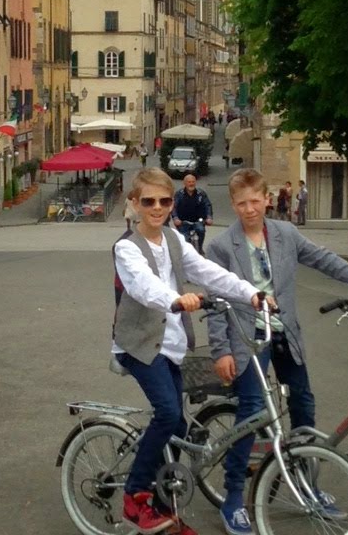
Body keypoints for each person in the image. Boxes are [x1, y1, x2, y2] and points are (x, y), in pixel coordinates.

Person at [206, 168, 348, 535]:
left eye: (255, 201)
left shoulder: (285, 234)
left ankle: (307, 483)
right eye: (242, 203)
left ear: (267, 199)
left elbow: (325, 259)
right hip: (247, 338)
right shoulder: (221, 246)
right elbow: (215, 302)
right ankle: (232, 499)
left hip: (285, 334)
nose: (250, 209)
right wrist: (221, 351)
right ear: (233, 205)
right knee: (252, 414)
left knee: (304, 404)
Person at [112, 168, 261, 535]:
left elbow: (208, 271)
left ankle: (164, 505)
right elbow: (144, 286)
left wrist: (251, 293)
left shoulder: (174, 239)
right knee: (166, 412)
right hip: (140, 345)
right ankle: (135, 497)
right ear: (135, 203)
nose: (158, 207)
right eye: (149, 201)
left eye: (165, 200)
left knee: (178, 423)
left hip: (172, 345)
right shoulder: (127, 247)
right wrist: (176, 299)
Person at [172, 174, 213, 254]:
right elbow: (173, 207)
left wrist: (209, 217)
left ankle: (200, 248)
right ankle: (187, 254)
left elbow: (207, 205)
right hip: (183, 221)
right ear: (184, 183)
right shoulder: (179, 194)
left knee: (201, 230)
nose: (191, 184)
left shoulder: (201, 193)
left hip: (198, 220)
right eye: (189, 182)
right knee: (185, 239)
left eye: (193, 182)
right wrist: (175, 218)